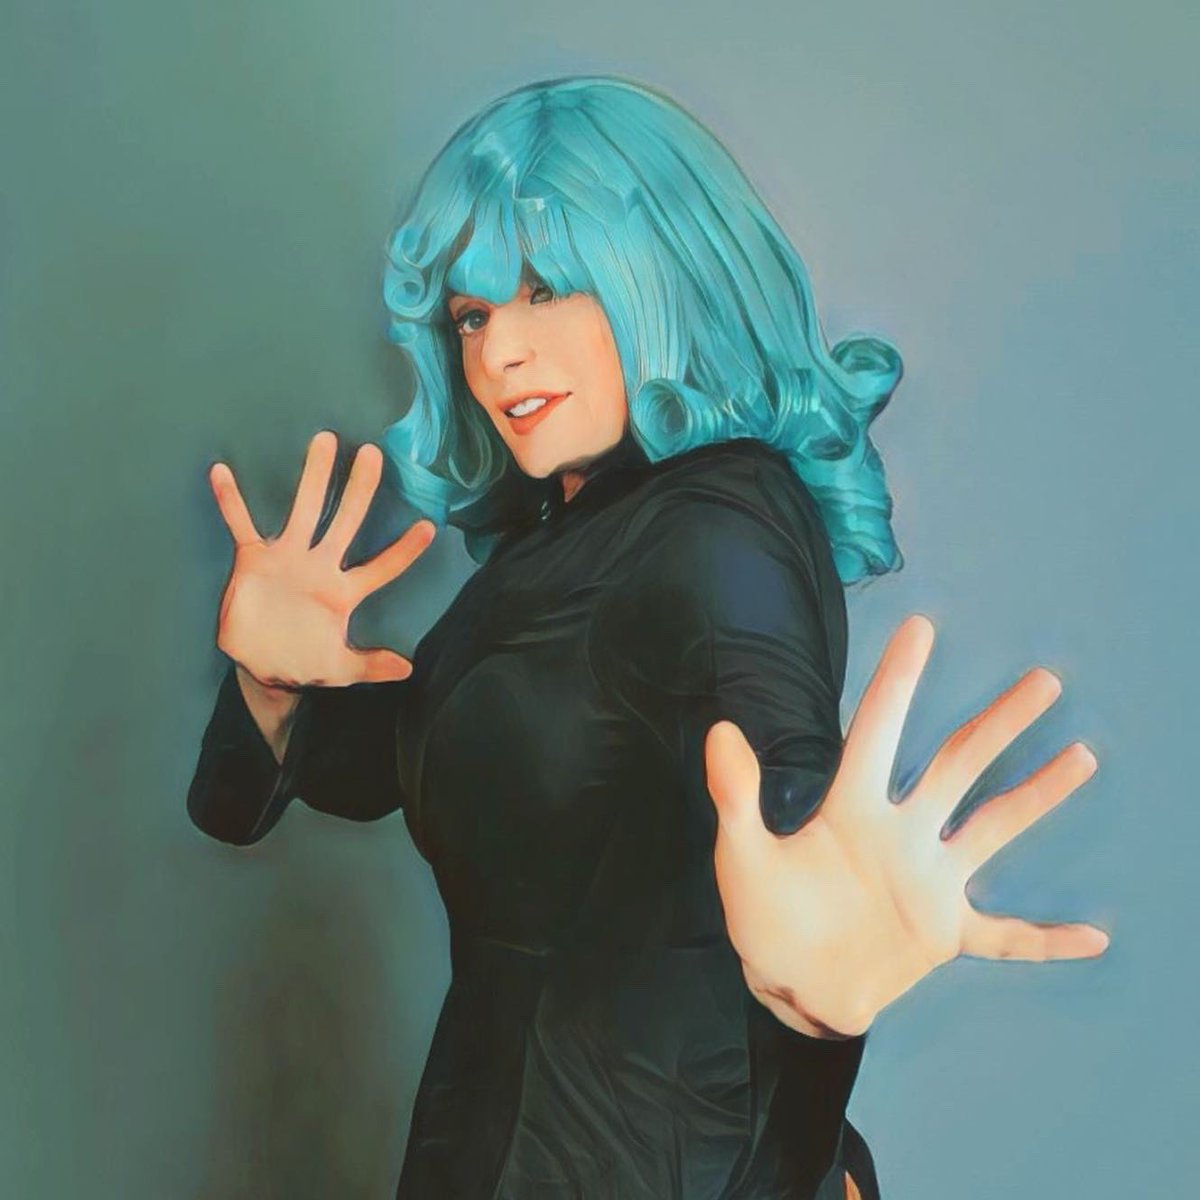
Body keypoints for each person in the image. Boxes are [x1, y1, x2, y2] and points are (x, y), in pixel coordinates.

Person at [187, 76, 1107, 1199]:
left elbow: (784, 809)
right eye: (473, 315)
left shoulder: (720, 523)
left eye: (545, 290)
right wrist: (272, 685)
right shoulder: (557, 543)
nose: (498, 353)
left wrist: (819, 991)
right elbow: (412, 771)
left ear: (660, 278)